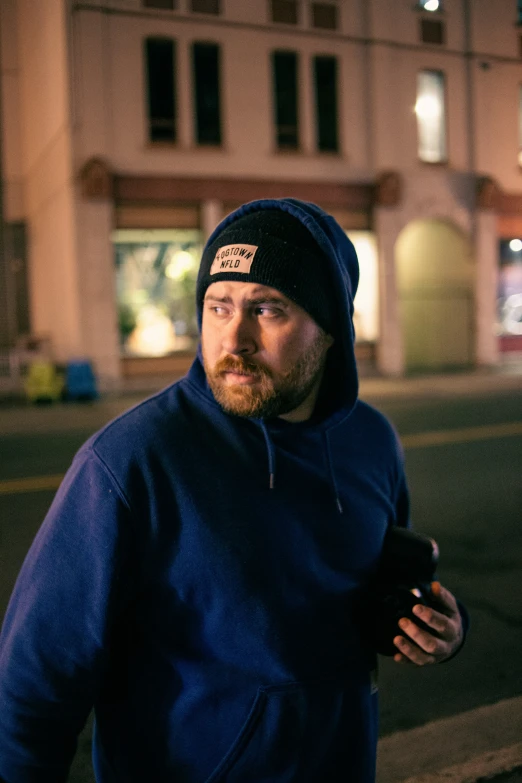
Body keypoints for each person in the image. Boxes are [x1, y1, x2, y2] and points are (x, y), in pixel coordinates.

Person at [0, 199, 467, 783]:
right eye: (218, 307)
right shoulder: (132, 459)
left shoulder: (370, 440)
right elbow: (38, 679)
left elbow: (379, 591)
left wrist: (440, 626)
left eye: (267, 309)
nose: (234, 338)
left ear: (331, 330)